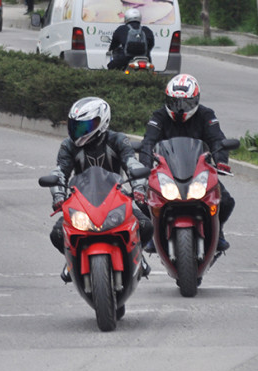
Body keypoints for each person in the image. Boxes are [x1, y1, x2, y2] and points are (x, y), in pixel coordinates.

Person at [48, 97, 153, 281]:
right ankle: (71, 259)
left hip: (116, 197)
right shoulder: (68, 145)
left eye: (85, 126)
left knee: (146, 226)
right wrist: (58, 195)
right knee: (57, 234)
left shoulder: (118, 140)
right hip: (81, 201)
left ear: (102, 122)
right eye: (76, 126)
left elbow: (132, 163)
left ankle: (138, 254)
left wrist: (138, 188)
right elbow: (60, 171)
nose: (79, 131)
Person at [139, 74, 233, 250]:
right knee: (143, 201)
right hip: (166, 172)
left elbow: (217, 140)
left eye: (185, 103)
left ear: (196, 99)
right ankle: (154, 234)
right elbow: (148, 141)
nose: (180, 108)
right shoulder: (159, 116)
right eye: (174, 102)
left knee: (226, 201)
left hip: (200, 171)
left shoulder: (206, 115)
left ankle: (218, 231)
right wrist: (144, 166)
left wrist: (221, 161)